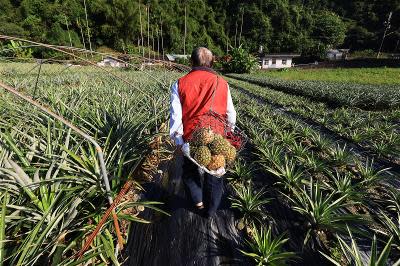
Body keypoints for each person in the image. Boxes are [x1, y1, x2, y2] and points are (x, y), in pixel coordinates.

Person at [169, 47, 236, 217]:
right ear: (212, 63)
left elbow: (176, 116)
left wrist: (178, 141)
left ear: (191, 62)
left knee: (190, 170)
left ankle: (198, 202)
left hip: (191, 137)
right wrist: (228, 133)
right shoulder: (222, 82)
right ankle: (210, 211)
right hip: (216, 136)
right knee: (214, 173)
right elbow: (230, 113)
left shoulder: (179, 83)